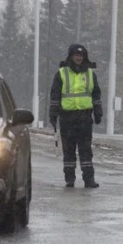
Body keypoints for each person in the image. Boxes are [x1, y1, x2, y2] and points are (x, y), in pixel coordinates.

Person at [49, 44, 103, 189]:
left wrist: (98, 110)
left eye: (81, 55)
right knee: (69, 149)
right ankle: (69, 178)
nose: (79, 57)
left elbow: (96, 93)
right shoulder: (61, 73)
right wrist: (53, 112)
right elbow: (55, 94)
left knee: (86, 149)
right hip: (67, 117)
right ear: (70, 56)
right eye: (76, 55)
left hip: (84, 117)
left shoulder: (90, 74)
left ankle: (89, 179)